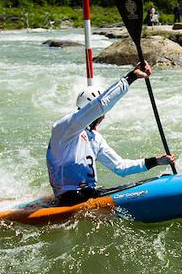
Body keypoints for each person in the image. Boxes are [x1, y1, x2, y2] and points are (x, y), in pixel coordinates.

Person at [46, 63, 175, 205]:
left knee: (148, 183)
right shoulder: (65, 127)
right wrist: (132, 77)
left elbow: (121, 167)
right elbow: (102, 103)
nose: (104, 117)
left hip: (89, 194)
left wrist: (155, 161)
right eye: (102, 114)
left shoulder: (95, 139)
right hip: (69, 197)